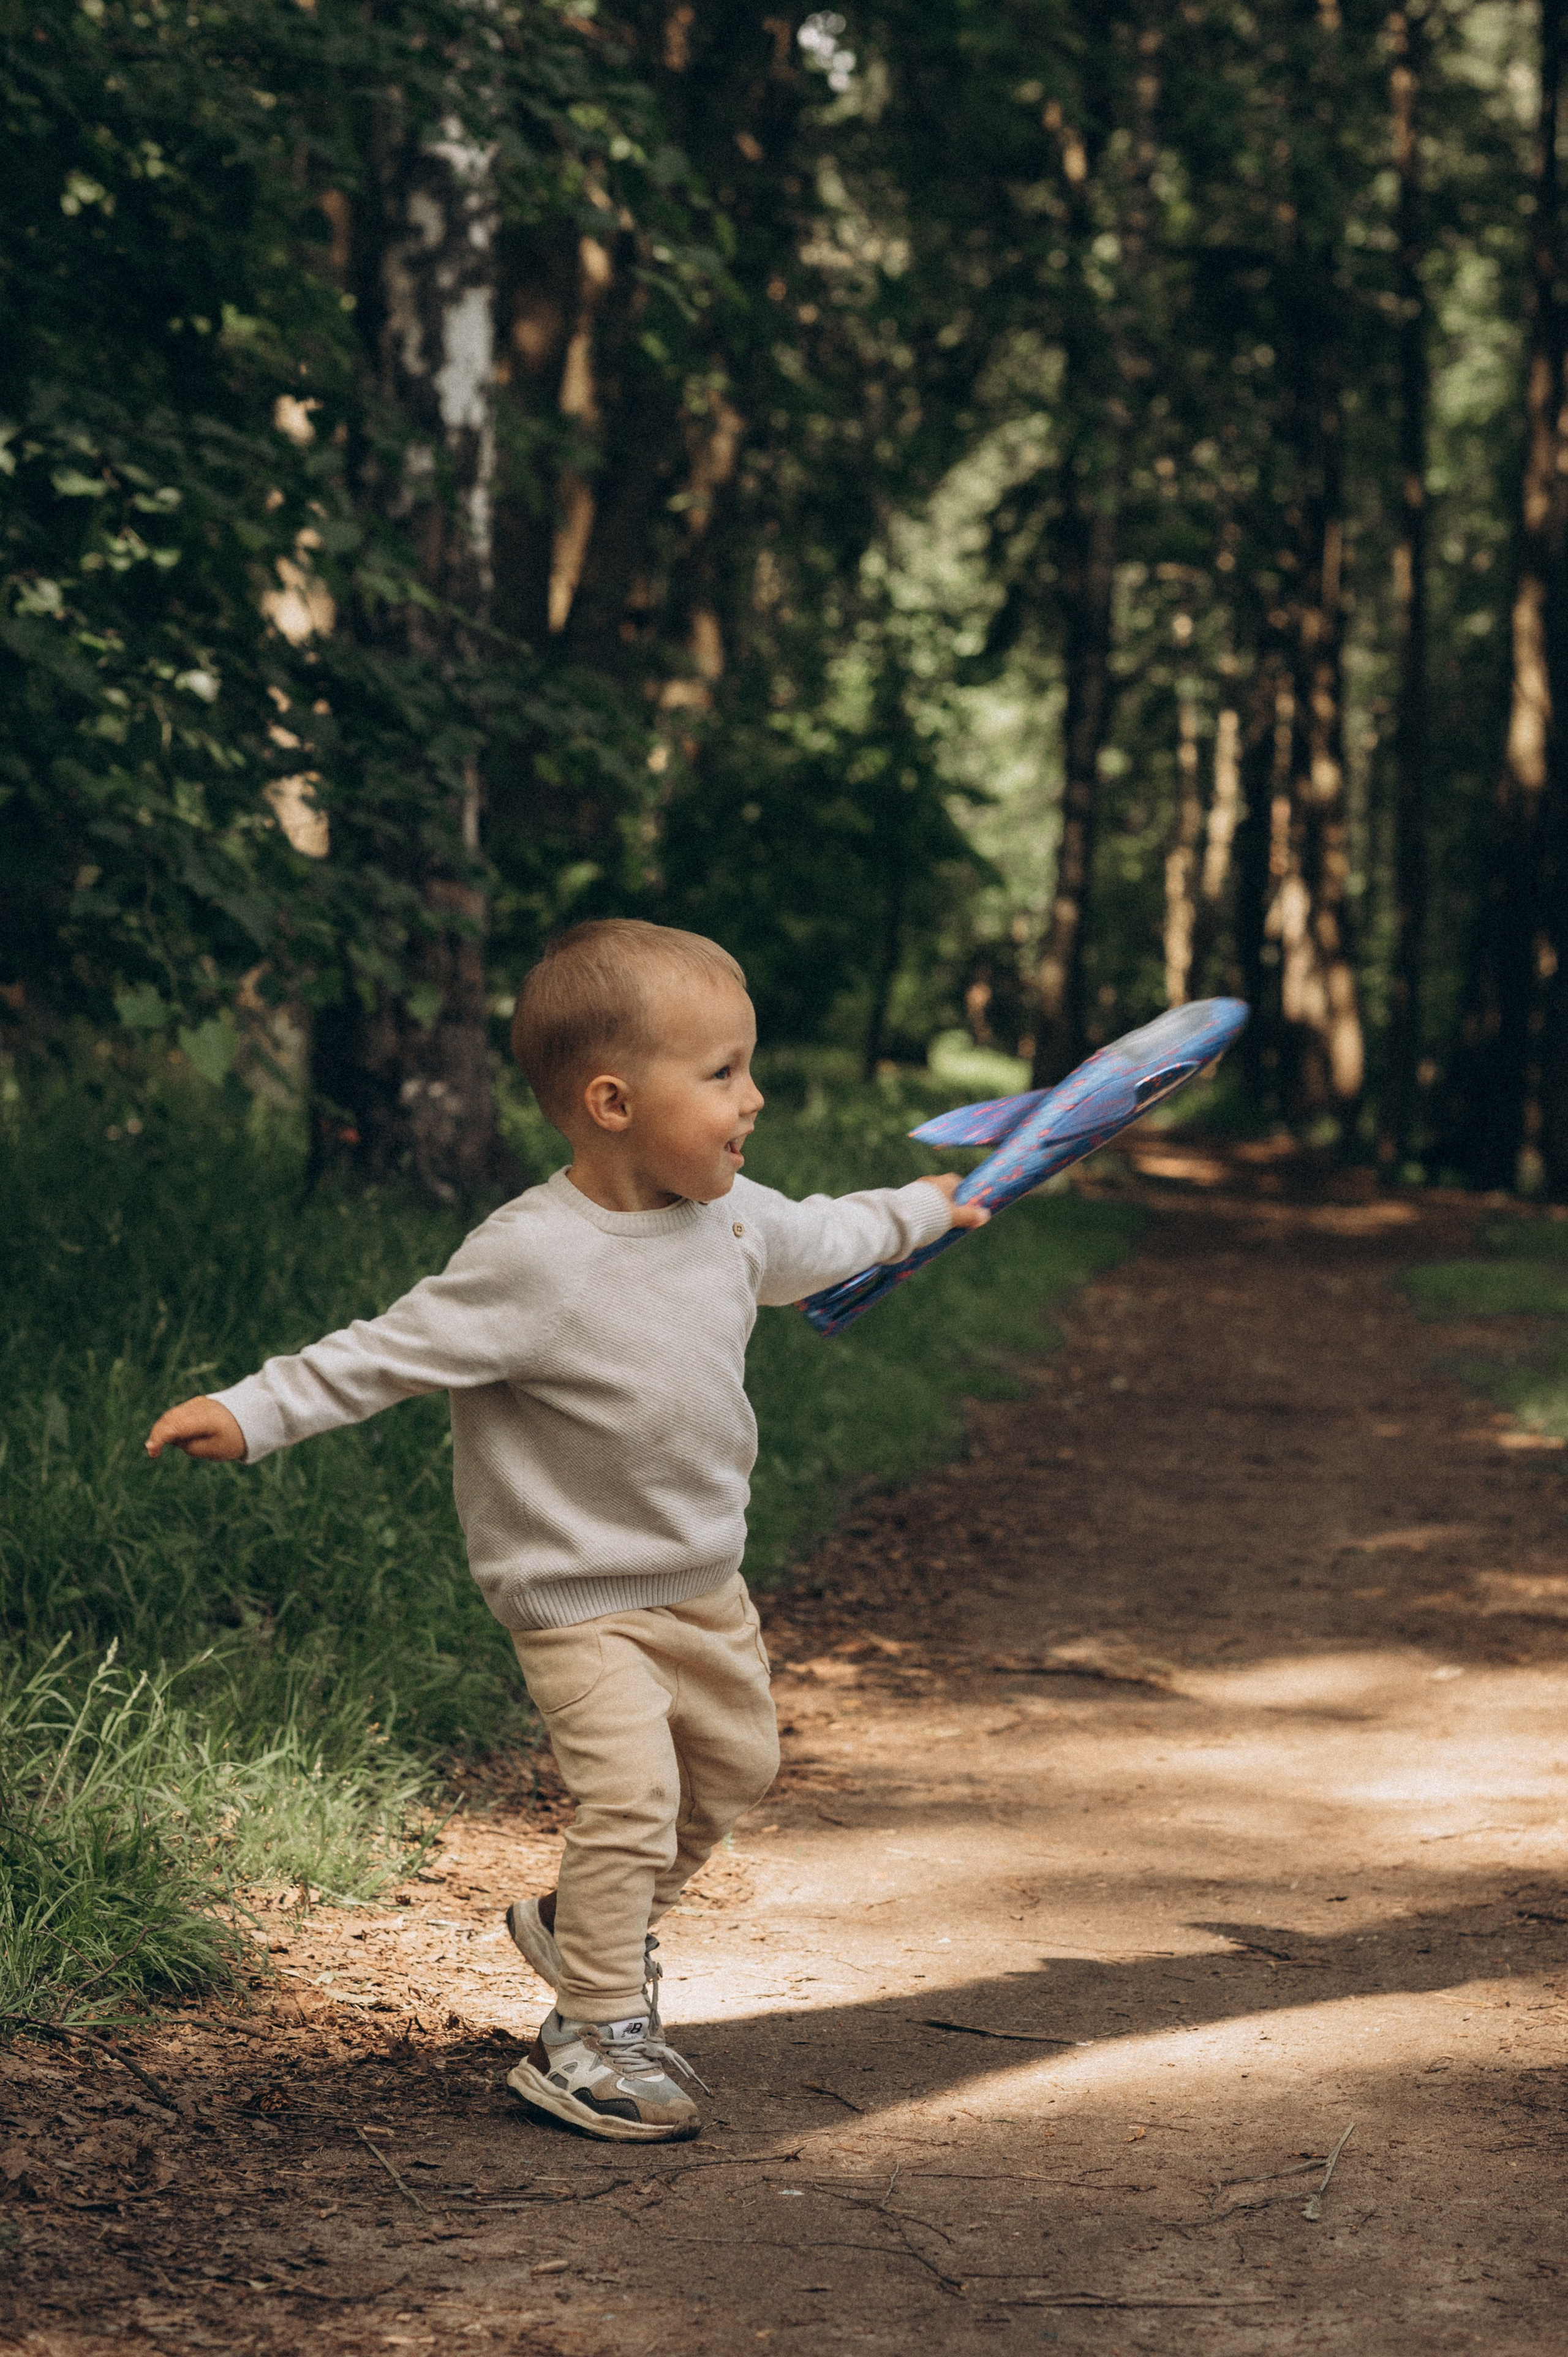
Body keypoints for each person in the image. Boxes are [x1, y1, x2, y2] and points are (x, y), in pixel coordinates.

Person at [146, 919, 987, 2143]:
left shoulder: (730, 1216)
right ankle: (591, 2029)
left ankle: (577, 1927)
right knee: (632, 1798)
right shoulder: (533, 1258)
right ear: (609, 1100)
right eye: (720, 1074)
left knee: (735, 1771)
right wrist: (250, 1409)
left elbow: (824, 1236)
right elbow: (384, 1351)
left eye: (746, 1068)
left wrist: (920, 1209)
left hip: (703, 1579)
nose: (753, 1098)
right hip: (574, 1595)